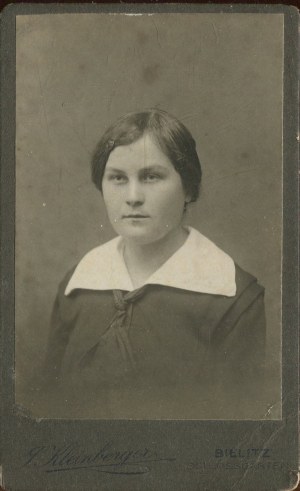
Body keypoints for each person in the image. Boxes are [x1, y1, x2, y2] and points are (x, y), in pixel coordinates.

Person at [41, 109, 266, 419]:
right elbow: (49, 409)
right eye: (118, 178)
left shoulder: (233, 298)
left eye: (151, 176)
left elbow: (235, 429)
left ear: (188, 188)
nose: (133, 197)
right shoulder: (78, 286)